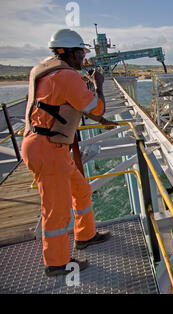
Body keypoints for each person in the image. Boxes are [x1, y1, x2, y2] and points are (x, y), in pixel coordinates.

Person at [21, 29, 113, 277]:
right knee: (56, 209)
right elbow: (96, 108)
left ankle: (85, 235)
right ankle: (57, 262)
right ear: (69, 52)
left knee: (81, 190)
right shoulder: (66, 77)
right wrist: (97, 85)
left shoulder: (44, 69)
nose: (83, 58)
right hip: (48, 150)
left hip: (49, 146)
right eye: (81, 52)